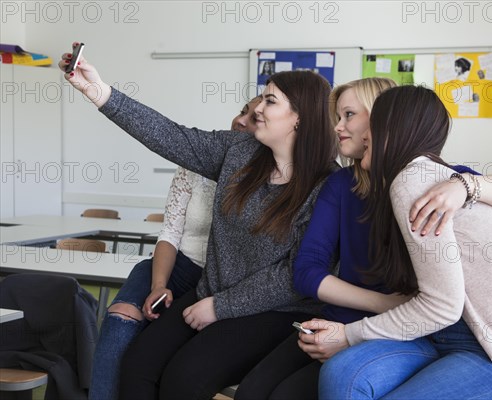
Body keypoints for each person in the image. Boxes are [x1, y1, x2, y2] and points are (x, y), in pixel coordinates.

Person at [59, 43, 338, 399]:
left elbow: (293, 276)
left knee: (182, 380)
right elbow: (168, 135)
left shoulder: (325, 184)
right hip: (213, 294)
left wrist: (220, 308)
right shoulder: (240, 152)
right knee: (138, 365)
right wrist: (97, 91)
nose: (257, 111)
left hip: (276, 310)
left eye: (270, 101)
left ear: (299, 117)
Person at [235, 78, 492, 400]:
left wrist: (467, 186)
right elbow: (307, 271)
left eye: (350, 115)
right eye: (338, 117)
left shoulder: (427, 180)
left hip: (430, 331)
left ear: (382, 122)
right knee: (257, 391)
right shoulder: (345, 185)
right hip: (400, 324)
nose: (338, 127)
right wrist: (385, 308)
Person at [87, 97, 260, 400]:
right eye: (243, 111)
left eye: (255, 118)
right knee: (120, 316)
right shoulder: (197, 161)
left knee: (161, 353)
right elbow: (170, 233)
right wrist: (158, 284)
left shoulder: (270, 177)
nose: (241, 120)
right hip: (177, 266)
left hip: (221, 280)